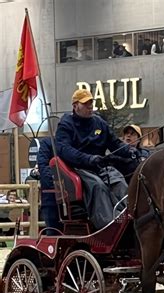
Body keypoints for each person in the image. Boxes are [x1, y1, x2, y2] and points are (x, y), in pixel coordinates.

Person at [55, 89, 134, 229]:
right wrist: (88, 159)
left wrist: (130, 151)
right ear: (75, 106)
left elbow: (115, 143)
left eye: (91, 102)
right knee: (98, 186)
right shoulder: (66, 124)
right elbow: (64, 150)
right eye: (85, 103)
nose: (90, 106)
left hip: (99, 166)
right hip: (78, 169)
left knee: (118, 180)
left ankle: (130, 217)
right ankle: (108, 226)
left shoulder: (100, 123)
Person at [37, 137, 63, 235]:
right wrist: (55, 184)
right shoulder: (47, 143)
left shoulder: (72, 142)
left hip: (73, 198)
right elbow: (43, 166)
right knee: (53, 232)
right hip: (52, 196)